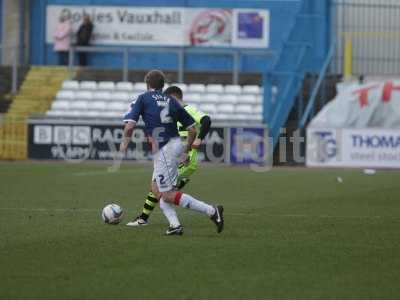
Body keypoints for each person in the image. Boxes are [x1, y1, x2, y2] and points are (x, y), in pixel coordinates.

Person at [120, 70, 223, 235]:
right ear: (162, 86)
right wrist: (186, 150)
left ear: (147, 84)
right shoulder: (172, 101)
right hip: (173, 146)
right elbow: (192, 130)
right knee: (156, 188)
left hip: (164, 148)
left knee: (167, 194)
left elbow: (130, 125)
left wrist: (124, 144)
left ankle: (211, 211)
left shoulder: (144, 98)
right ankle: (175, 226)